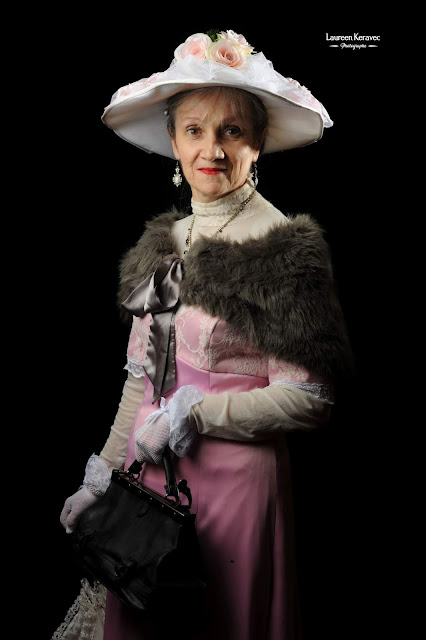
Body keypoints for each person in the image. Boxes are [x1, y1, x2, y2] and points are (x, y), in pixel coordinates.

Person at [57, 29, 352, 640]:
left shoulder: (283, 250)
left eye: (231, 131)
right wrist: (101, 478)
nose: (211, 149)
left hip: (237, 487)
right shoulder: (164, 243)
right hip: (149, 478)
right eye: (195, 131)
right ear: (174, 141)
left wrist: (196, 412)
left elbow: (311, 398)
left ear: (257, 142)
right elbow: (140, 382)